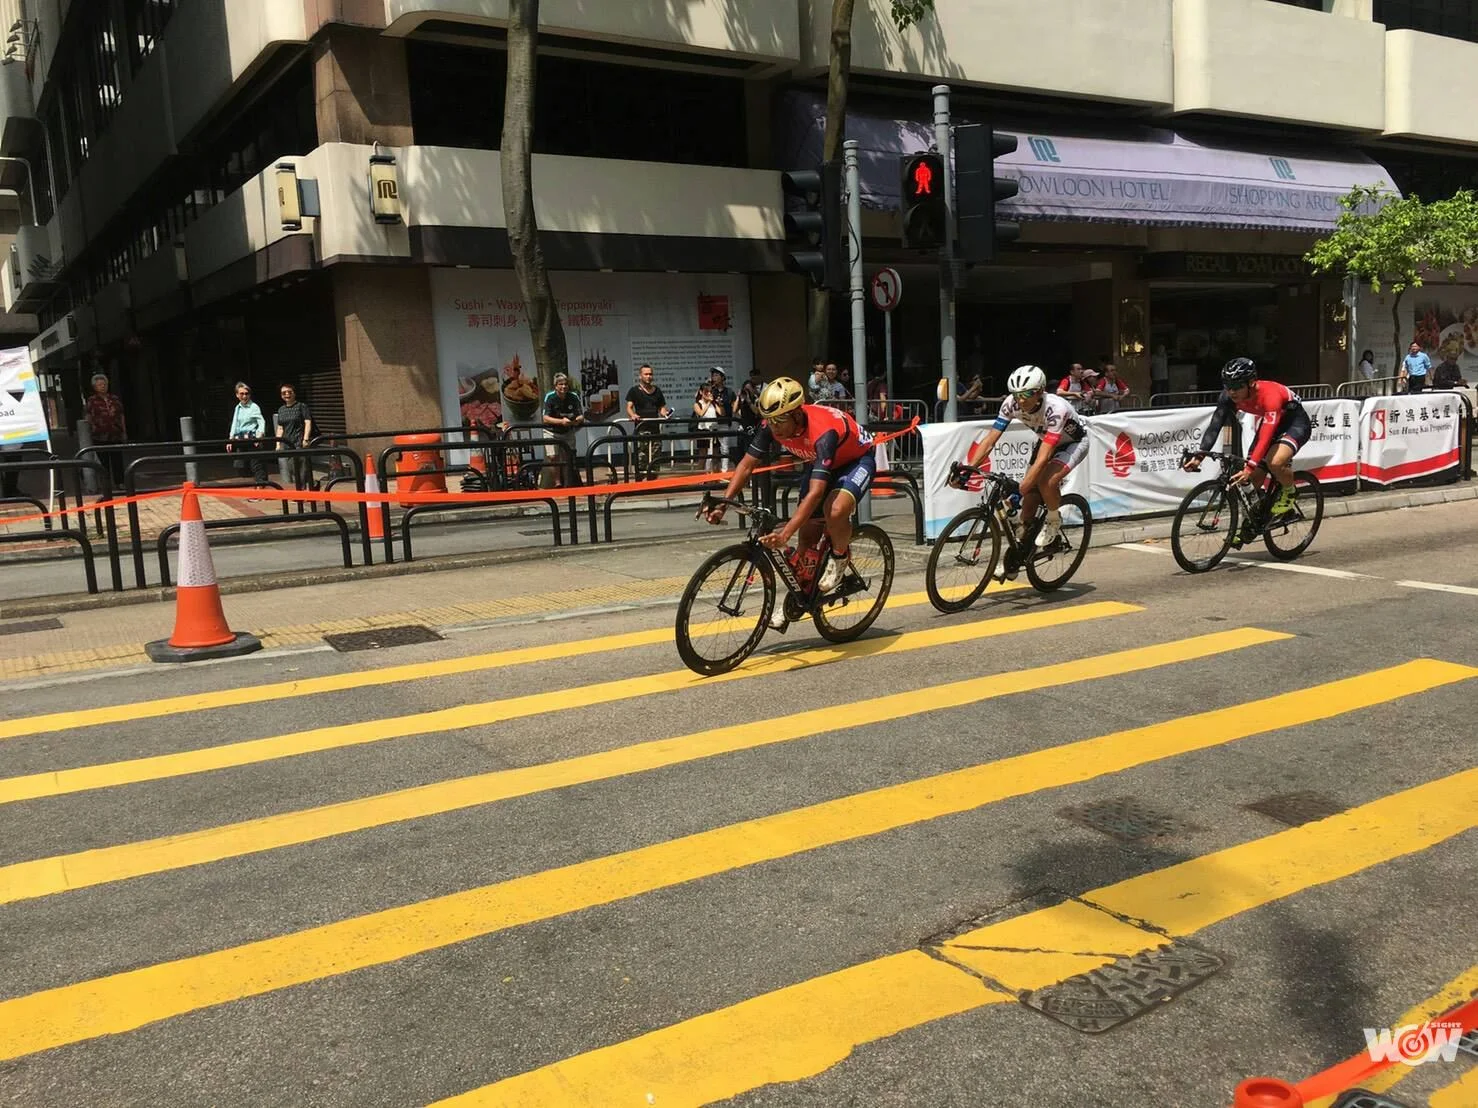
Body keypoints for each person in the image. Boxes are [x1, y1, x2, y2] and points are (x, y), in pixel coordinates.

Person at [704, 376, 875, 604]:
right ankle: (801, 597)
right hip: (822, 463)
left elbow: (815, 493)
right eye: (769, 420)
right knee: (806, 539)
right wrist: (725, 503)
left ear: (796, 413)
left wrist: (785, 534)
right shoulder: (772, 426)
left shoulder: (824, 432)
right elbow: (746, 465)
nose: (774, 427)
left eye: (779, 420)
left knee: (834, 510)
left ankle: (840, 556)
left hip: (856, 460)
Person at [949, 365, 1088, 568]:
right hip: (1045, 439)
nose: (1021, 400)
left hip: (1074, 442)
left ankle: (1053, 519)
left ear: (1040, 392)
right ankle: (1019, 554)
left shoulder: (1056, 408)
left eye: (1026, 394)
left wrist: (1021, 489)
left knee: (1045, 481)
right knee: (1029, 499)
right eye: (1016, 394)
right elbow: (990, 440)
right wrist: (968, 470)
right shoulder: (1010, 404)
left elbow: (1043, 459)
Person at [1182, 357, 1309, 525]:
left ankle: (1289, 491)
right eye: (1228, 386)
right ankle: (1255, 521)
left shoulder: (1270, 395)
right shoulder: (1228, 397)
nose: (1232, 392)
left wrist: (1250, 466)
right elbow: (1215, 425)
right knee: (1251, 481)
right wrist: (1199, 456)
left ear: (1251, 383)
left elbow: (1265, 436)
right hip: (1271, 423)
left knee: (1275, 462)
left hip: (1295, 423)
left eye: (1237, 387)